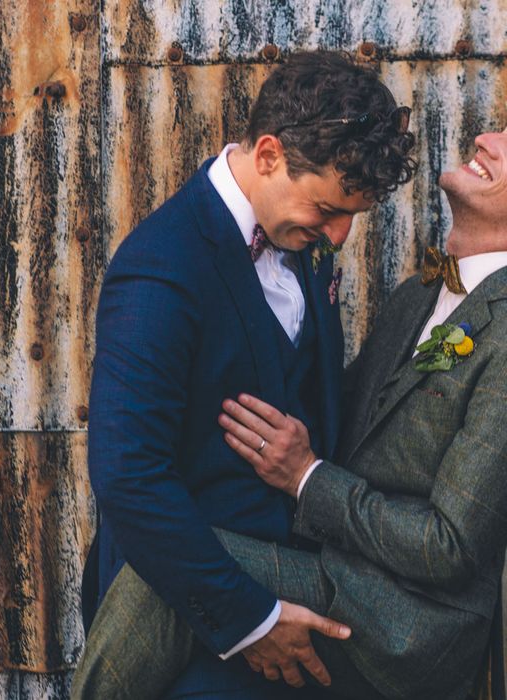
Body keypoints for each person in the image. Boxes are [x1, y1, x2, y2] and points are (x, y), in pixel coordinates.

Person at [71, 126, 507, 699]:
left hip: (408, 619)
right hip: (343, 565)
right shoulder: (419, 296)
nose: (487, 138)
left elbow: (448, 546)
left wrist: (305, 477)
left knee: (166, 573)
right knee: (155, 562)